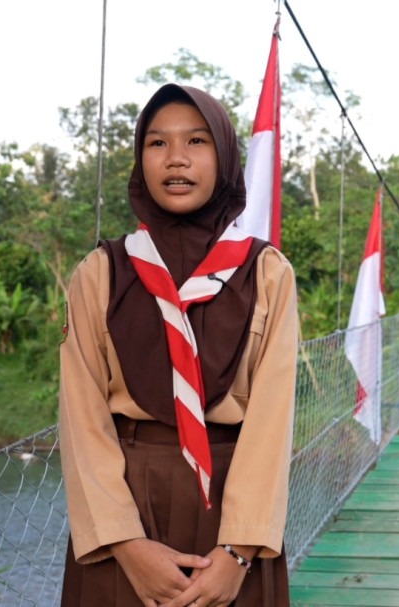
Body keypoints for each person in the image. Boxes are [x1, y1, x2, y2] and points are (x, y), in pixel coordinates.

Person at [59, 83, 298, 607]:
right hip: (128, 505)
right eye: (157, 143)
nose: (176, 160)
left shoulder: (267, 273)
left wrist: (238, 555)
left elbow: (272, 422)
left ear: (226, 157)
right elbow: (82, 420)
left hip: (233, 516)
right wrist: (126, 544)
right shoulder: (101, 274)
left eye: (196, 142)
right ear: (140, 159)